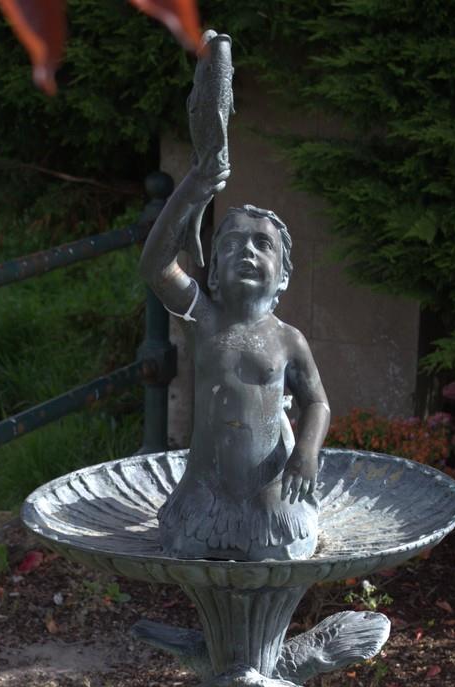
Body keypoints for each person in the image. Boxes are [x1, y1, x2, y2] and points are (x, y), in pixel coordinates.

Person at [140, 53, 330, 561]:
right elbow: (155, 268)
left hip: (272, 495)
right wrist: (195, 186)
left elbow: (316, 402)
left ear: (284, 275)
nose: (247, 250)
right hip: (207, 493)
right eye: (233, 243)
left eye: (262, 245)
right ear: (214, 273)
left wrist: (307, 453)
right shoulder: (205, 315)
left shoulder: (289, 339)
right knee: (186, 546)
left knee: (279, 555)